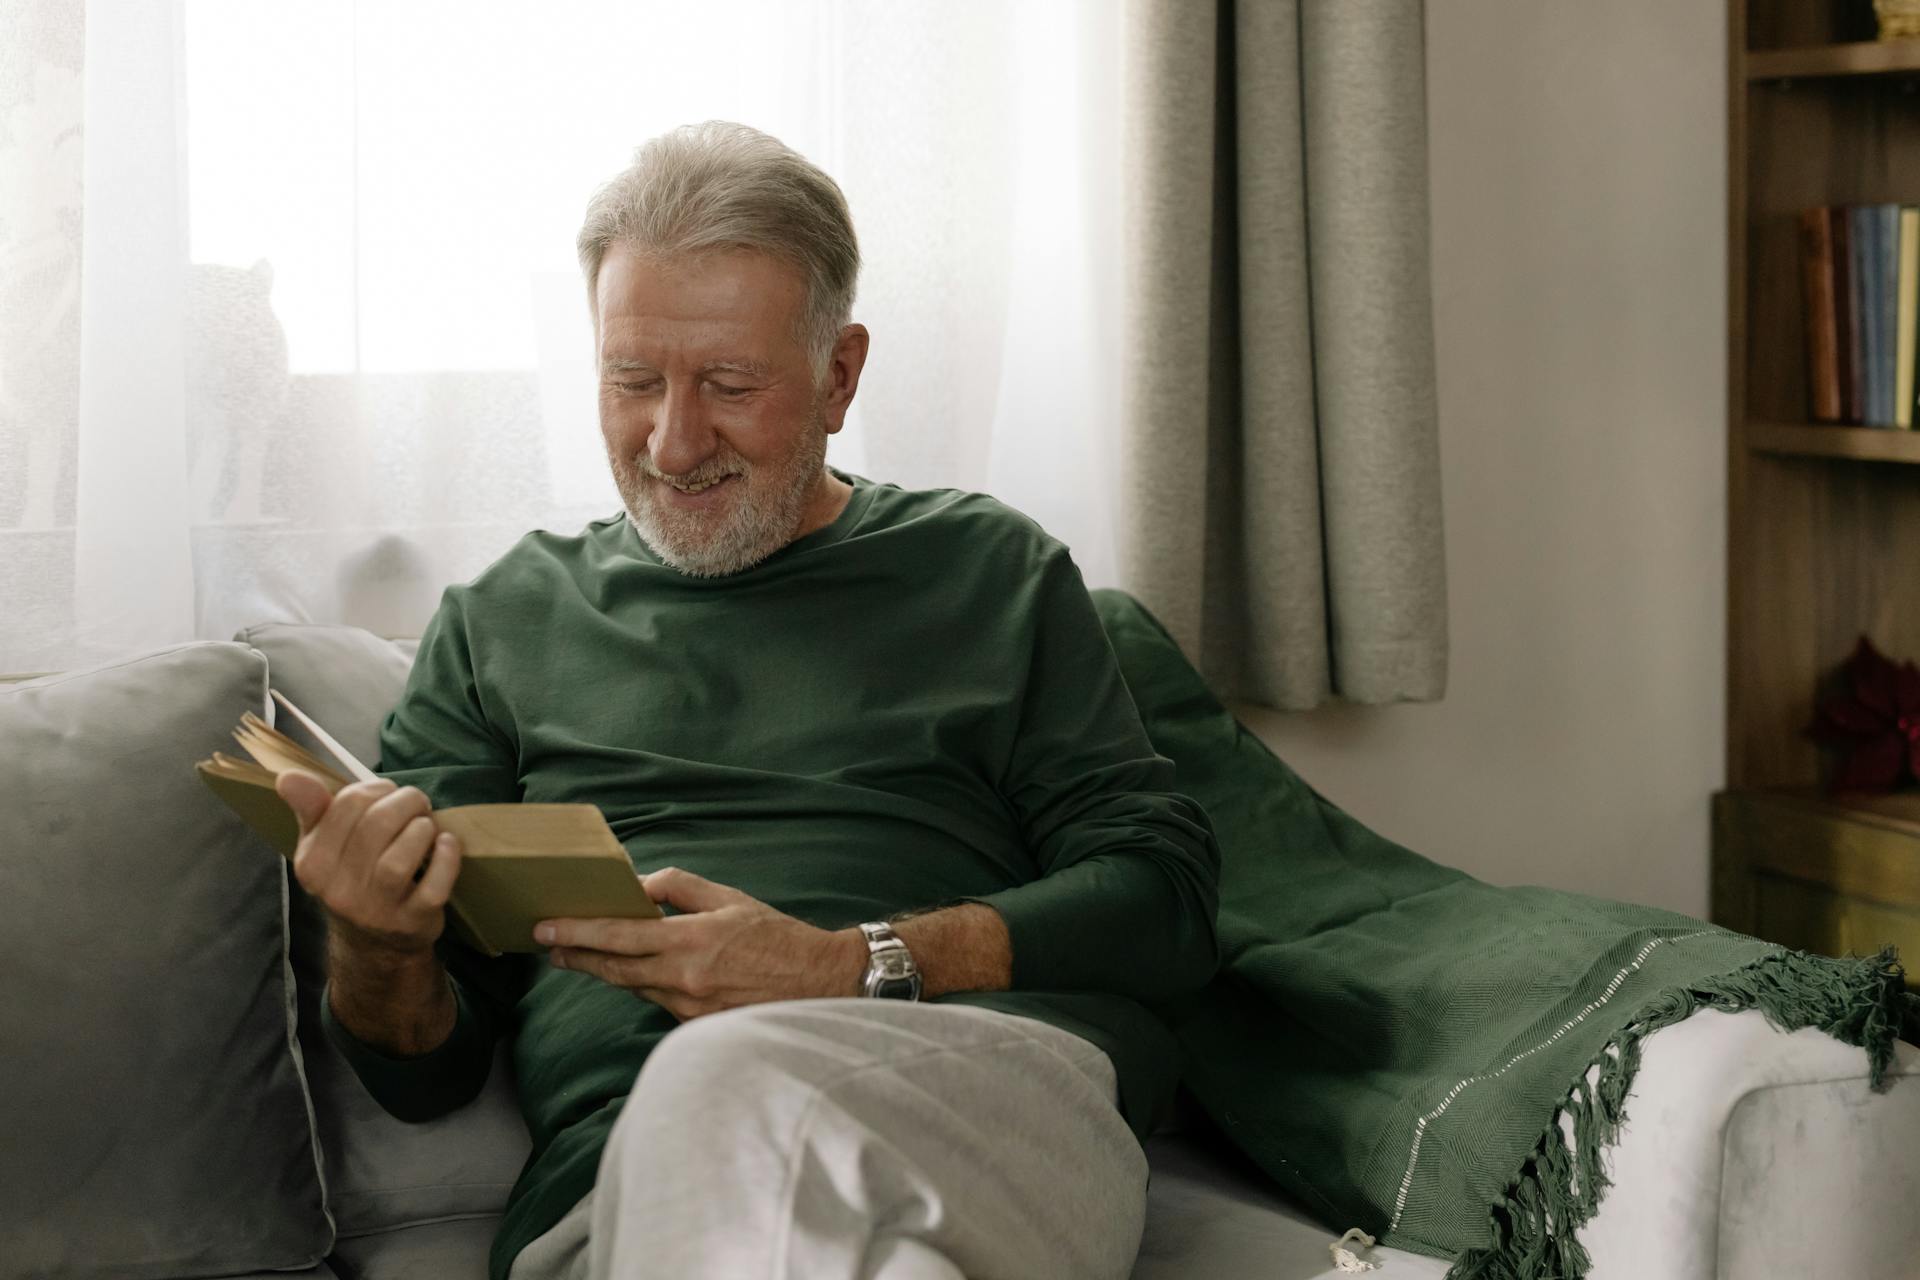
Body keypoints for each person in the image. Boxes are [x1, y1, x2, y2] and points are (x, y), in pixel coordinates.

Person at [275, 120, 1222, 1280]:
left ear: (839, 372)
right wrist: (375, 943)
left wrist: (845, 967)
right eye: (632, 382)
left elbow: (1164, 905)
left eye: (729, 383)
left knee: (728, 1072)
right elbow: (425, 1070)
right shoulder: (503, 619)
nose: (673, 441)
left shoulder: (990, 570)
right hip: (630, 1185)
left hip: (974, 1105)